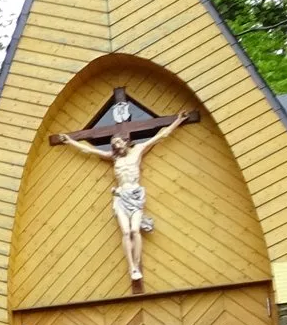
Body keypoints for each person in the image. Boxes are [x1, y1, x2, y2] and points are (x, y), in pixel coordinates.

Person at [48, 109, 199, 287]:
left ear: (125, 141)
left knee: (135, 230)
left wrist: (178, 121)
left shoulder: (138, 150)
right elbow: (88, 151)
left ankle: (137, 266)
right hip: (120, 197)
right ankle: (132, 267)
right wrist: (71, 141)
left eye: (117, 141)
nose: (115, 145)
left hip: (135, 195)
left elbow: (161, 136)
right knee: (126, 232)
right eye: (113, 144)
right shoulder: (113, 157)